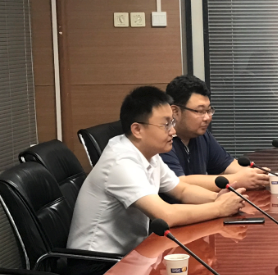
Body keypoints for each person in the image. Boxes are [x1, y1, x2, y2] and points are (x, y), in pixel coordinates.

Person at [68, 86, 245, 255]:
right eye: (166, 124)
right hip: (98, 263)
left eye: (172, 123)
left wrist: (219, 198)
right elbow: (165, 215)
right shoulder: (120, 162)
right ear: (137, 130)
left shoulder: (148, 153)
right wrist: (219, 208)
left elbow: (182, 190)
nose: (173, 131)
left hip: (133, 253)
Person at [161, 75, 269, 191]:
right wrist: (237, 179)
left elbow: (226, 165)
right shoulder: (162, 140)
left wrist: (257, 175)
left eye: (208, 110)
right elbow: (177, 183)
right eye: (200, 111)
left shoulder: (201, 135)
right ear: (175, 111)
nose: (207, 117)